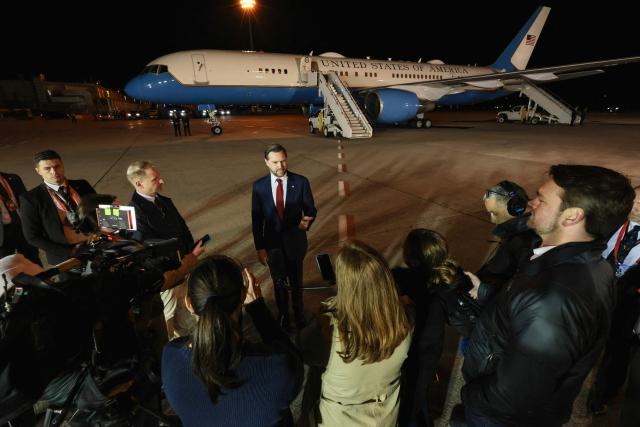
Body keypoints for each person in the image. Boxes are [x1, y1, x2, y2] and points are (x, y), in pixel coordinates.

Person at [461, 164, 635, 427]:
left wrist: (470, 398)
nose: (531, 203)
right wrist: (485, 292)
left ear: (572, 216)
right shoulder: (589, 263)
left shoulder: (555, 297)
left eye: (541, 199)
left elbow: (514, 395)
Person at [162, 255, 302, 427]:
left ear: (189, 303)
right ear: (243, 295)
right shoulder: (278, 367)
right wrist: (258, 309)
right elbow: (294, 361)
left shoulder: (171, 357)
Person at [298, 240, 412, 427]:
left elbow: (299, 349)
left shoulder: (327, 331)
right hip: (385, 417)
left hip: (340, 419)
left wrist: (329, 309)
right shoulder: (405, 318)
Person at [393, 229, 475, 427]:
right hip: (431, 350)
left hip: (407, 349)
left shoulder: (403, 278)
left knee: (408, 400)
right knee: (419, 395)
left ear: (412, 258)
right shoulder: (449, 280)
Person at [127, 160, 196, 337]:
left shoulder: (164, 201)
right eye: (155, 179)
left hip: (184, 271)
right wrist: (177, 268)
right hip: (167, 280)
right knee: (168, 326)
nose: (162, 181)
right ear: (139, 184)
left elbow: (183, 229)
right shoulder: (134, 212)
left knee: (188, 320)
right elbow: (146, 252)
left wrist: (190, 254)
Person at [588, 184, 640, 417]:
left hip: (629, 303)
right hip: (597, 293)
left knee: (616, 352)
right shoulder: (610, 225)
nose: (637, 206)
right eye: (636, 200)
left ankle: (602, 396)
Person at [251, 144, 317, 330]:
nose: (280, 166)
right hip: (272, 244)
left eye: (283, 160)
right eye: (275, 162)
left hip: (295, 241)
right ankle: (283, 315)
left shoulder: (301, 182)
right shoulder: (259, 187)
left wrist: (306, 222)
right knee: (278, 282)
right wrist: (260, 247)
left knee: (296, 282)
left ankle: (298, 312)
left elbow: (311, 208)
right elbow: (256, 219)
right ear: (266, 163)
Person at [19, 150, 95, 266]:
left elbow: (98, 211)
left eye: (57, 166)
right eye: (47, 169)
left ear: (62, 165)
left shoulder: (82, 185)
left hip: (94, 247)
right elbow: (32, 236)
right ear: (38, 171)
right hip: (66, 257)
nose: (54, 172)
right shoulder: (31, 199)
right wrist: (69, 252)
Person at [473, 181, 541, 301]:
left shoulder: (525, 242)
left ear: (516, 208)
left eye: (494, 213)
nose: (492, 219)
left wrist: (482, 290)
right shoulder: (516, 233)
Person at [0, 171, 41, 265]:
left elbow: (26, 203)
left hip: (22, 226)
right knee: (7, 268)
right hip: (2, 234)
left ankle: (41, 279)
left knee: (34, 262)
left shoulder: (13, 178)